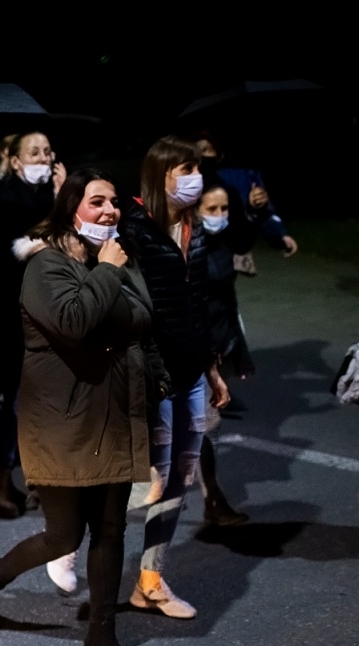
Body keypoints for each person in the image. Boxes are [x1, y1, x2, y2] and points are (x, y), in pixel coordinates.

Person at [0, 170, 166, 646]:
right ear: (70, 208)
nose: (109, 211)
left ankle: (102, 636)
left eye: (114, 202)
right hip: (62, 420)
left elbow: (142, 324)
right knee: (64, 536)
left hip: (115, 414)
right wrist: (109, 271)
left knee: (113, 529)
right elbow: (74, 322)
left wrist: (157, 376)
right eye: (96, 202)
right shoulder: (45, 266)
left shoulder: (114, 258)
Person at [118, 136, 225, 619]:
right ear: (161, 175)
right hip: (153, 377)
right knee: (148, 484)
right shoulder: (134, 229)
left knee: (180, 476)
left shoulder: (194, 228)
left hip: (192, 374)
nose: (195, 177)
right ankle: (65, 543)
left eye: (197, 168)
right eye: (186, 168)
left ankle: (150, 580)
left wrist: (212, 367)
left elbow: (199, 305)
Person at [0, 131, 65, 518]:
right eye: (33, 152)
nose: (42, 158)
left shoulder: (54, 195)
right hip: (8, 314)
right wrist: (31, 245)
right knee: (15, 400)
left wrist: (64, 196)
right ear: (14, 160)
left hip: (50, 311)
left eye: (46, 152)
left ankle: (41, 477)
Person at [195, 181, 255, 526]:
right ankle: (212, 500)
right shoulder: (191, 248)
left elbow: (227, 304)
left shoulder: (219, 242)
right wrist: (209, 360)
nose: (220, 216)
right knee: (206, 427)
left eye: (224, 209)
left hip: (221, 343)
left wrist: (238, 351)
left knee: (201, 428)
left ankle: (208, 497)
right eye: (211, 210)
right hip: (201, 351)